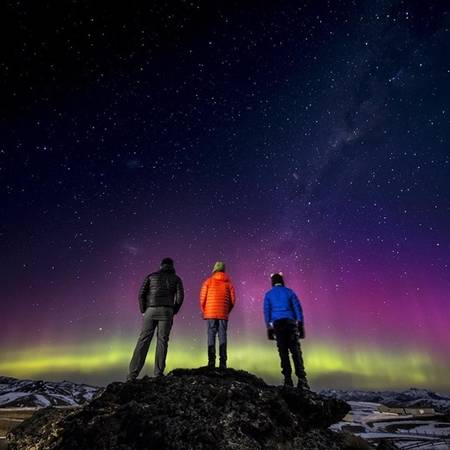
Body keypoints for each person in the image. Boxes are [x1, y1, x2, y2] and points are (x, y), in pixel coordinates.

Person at [127, 257, 184, 380]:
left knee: (143, 340)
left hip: (150, 310)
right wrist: (174, 310)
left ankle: (132, 374)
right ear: (172, 266)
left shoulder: (151, 276)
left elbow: (141, 294)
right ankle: (158, 373)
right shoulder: (176, 279)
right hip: (167, 311)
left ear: (161, 265)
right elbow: (180, 298)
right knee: (162, 341)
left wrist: (143, 310)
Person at [263, 273, 309, 389]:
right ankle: (302, 379)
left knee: (283, 352)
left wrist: (269, 328)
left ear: (272, 282)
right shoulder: (289, 292)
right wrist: (300, 324)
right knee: (295, 351)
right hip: (291, 323)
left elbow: (266, 311)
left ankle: (288, 379)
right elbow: (297, 308)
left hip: (278, 325)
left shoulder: (269, 294)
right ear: (282, 281)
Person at [200, 261, 236, 369]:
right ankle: (223, 363)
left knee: (211, 336)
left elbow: (202, 299)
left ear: (214, 270)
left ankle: (211, 362)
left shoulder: (208, 282)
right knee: (222, 336)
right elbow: (233, 301)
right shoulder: (229, 283)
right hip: (223, 314)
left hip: (210, 313)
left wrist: (205, 311)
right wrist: (226, 311)